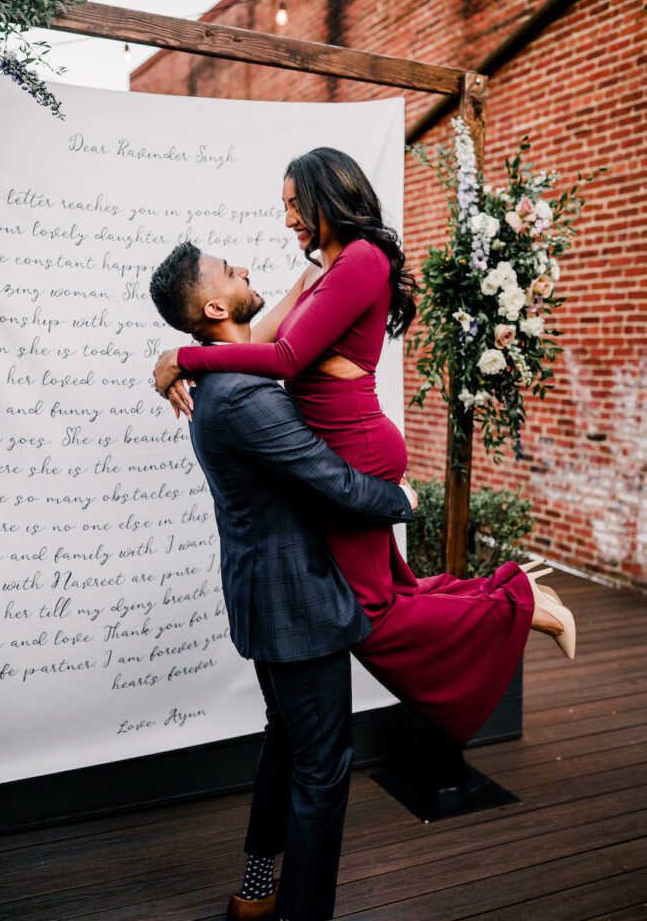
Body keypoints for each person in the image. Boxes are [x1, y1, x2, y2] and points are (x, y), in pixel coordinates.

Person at [149, 243, 418, 921]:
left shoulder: (222, 383)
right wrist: (404, 501)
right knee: (322, 770)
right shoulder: (245, 399)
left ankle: (255, 890)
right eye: (227, 270)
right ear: (214, 306)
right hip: (295, 606)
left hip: (266, 600)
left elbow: (296, 312)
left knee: (286, 741)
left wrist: (176, 358)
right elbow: (331, 484)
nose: (242, 267)